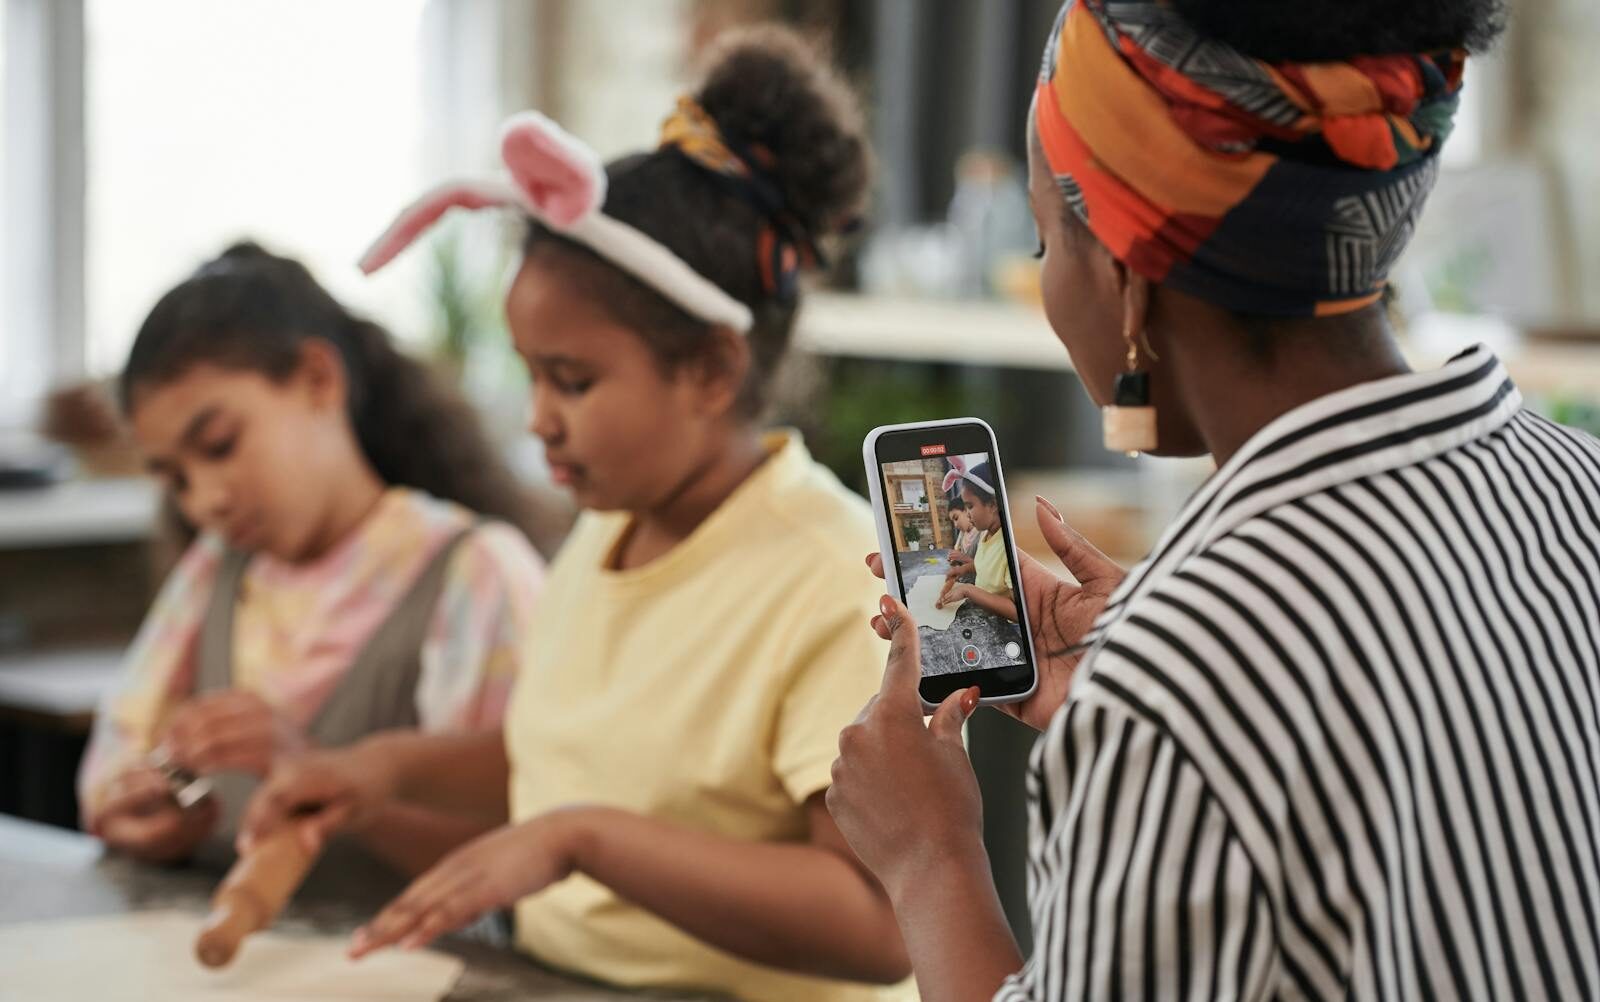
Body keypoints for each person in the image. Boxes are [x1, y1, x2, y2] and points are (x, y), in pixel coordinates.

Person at [828, 1, 1600, 1000]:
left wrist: (927, 862)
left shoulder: (1179, 677)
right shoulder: (1572, 482)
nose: (1048, 282)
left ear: (1126, 279)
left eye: (1043, 244)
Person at [240, 28, 913, 1002]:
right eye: (531, 376)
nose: (538, 419)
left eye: (573, 380)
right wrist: (382, 772)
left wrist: (582, 842)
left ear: (710, 372)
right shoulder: (607, 525)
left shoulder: (833, 574)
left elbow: (877, 923)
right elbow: (567, 762)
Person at [79, 243, 551, 885]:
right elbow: (109, 774)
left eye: (220, 446)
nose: (206, 500)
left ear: (318, 380)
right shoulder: (216, 570)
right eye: (175, 480)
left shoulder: (476, 571)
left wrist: (320, 776)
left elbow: (522, 847)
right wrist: (144, 817)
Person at [939, 462, 1017, 623]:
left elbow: (1017, 612)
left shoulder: (1007, 546)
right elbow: (985, 565)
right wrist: (963, 569)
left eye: (970, 506)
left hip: (1003, 625)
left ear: (993, 505)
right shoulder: (985, 534)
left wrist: (968, 590)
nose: (967, 515)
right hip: (984, 614)